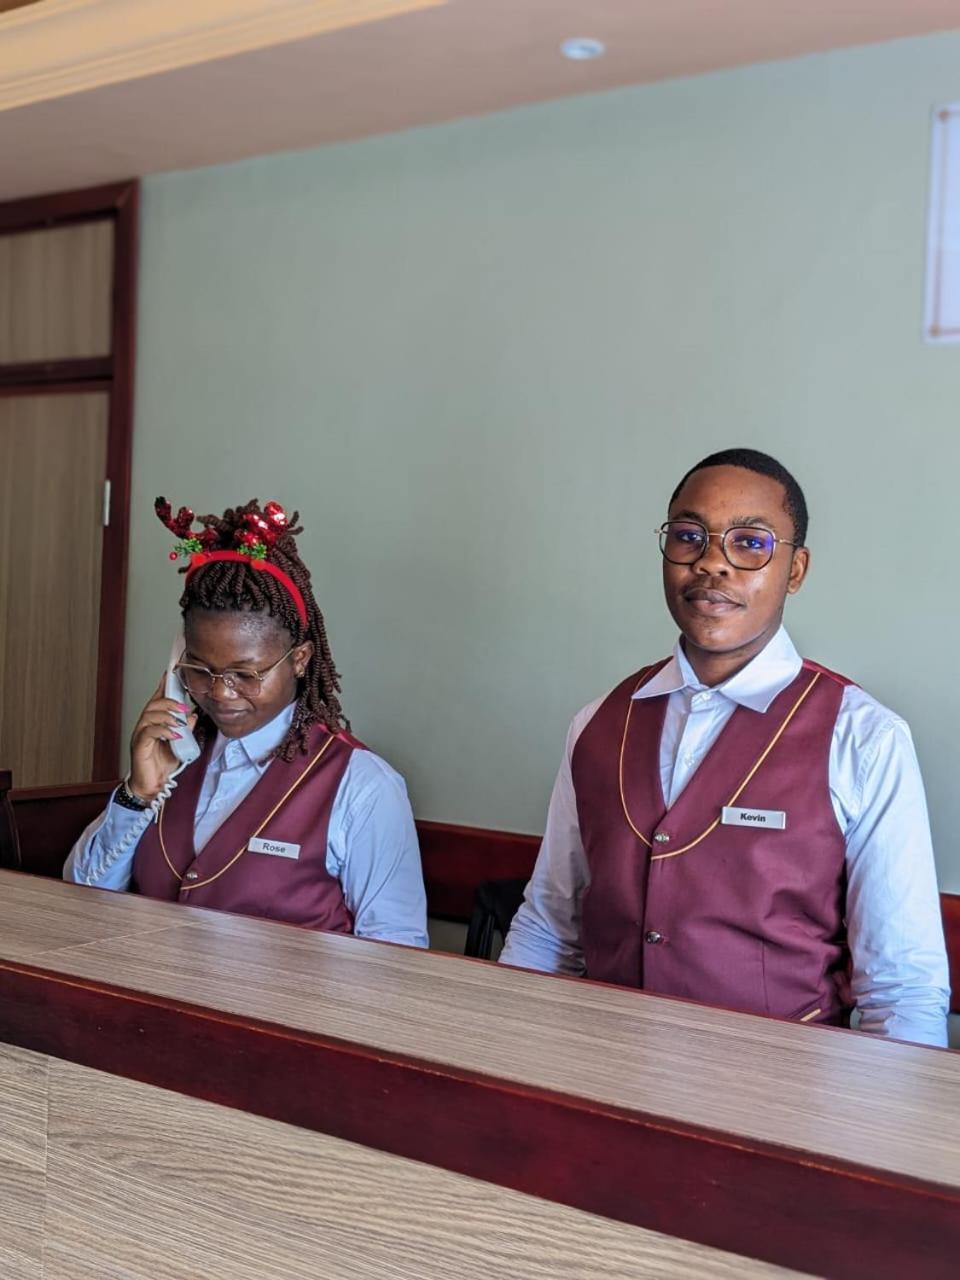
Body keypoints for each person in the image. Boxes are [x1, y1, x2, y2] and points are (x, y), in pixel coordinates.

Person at [500, 449, 949, 1045]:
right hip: (600, 1069)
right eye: (689, 536)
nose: (712, 562)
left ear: (795, 570)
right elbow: (549, 929)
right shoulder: (598, 724)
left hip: (780, 1089)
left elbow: (902, 990)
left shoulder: (864, 738)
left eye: (750, 543)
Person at [65, 498, 428, 947]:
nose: (221, 693)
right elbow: (79, 904)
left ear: (299, 659)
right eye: (200, 670)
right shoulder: (173, 757)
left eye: (246, 674)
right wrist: (137, 795)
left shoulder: (364, 787)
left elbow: (396, 952)